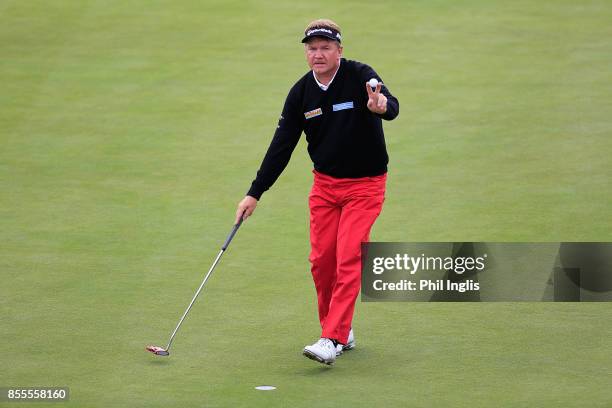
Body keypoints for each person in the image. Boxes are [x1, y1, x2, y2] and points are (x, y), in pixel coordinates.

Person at [235, 19, 399, 365]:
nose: (319, 54)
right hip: (324, 187)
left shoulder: (359, 75)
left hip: (365, 186)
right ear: (306, 53)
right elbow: (281, 146)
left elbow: (390, 103)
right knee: (322, 263)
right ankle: (338, 327)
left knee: (349, 256)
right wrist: (255, 193)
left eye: (326, 47)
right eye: (312, 48)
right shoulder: (300, 93)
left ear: (340, 50)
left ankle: (332, 336)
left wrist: (381, 107)